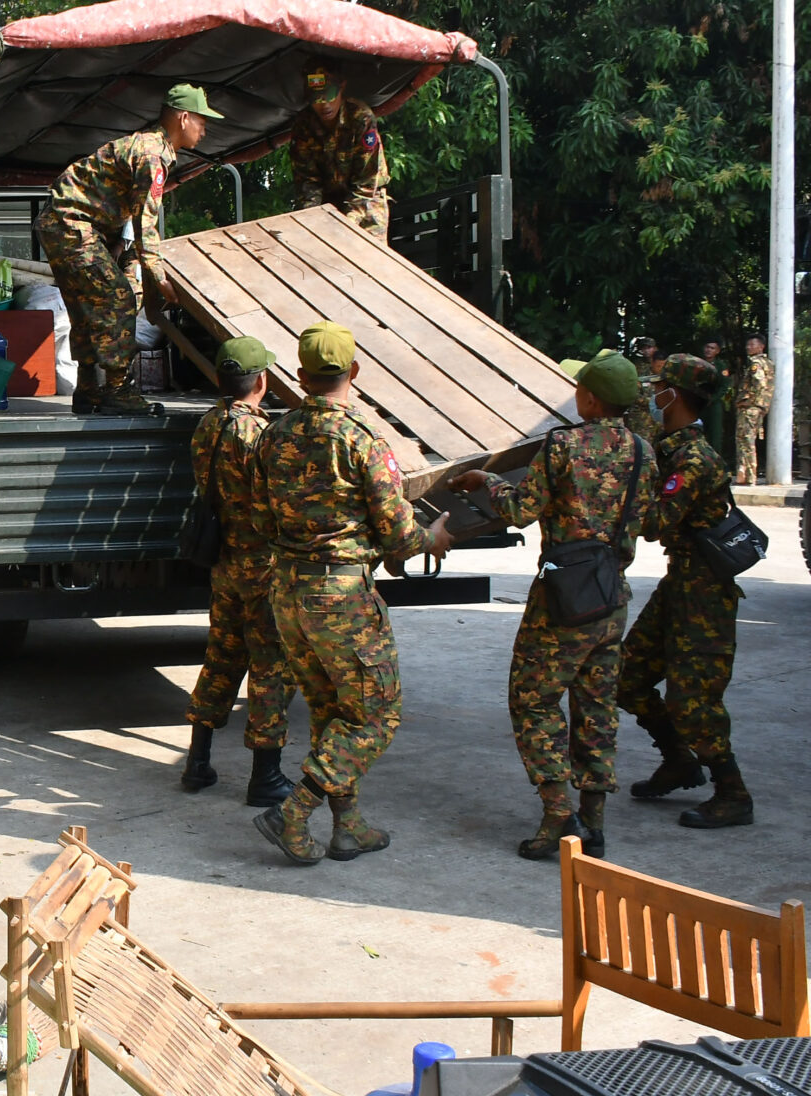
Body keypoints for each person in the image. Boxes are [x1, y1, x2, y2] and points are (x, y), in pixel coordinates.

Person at [249, 322, 453, 864]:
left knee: (331, 710)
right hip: (342, 597)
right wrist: (433, 537)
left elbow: (259, 513)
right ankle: (294, 812)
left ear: (299, 375)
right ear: (354, 373)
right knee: (376, 714)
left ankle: (348, 826)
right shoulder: (361, 439)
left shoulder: (273, 434)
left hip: (287, 591)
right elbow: (399, 536)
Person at [448, 352, 655, 859]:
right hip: (611, 597)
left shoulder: (563, 445)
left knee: (533, 700)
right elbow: (647, 520)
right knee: (596, 706)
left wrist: (486, 481)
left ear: (589, 398)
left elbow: (519, 509)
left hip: (562, 600)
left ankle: (558, 815)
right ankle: (595, 821)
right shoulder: (644, 452)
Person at [619, 354, 753, 828]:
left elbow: (656, 523)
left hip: (704, 592)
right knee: (628, 675)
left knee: (692, 698)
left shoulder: (692, 460)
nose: (653, 396)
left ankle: (732, 793)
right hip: (681, 582)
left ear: (673, 396)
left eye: (658, 388)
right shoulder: (672, 449)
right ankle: (678, 760)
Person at [37, 82, 221, 415]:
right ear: (182, 119)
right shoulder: (153, 155)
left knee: (87, 306)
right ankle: (117, 390)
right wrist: (158, 275)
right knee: (118, 298)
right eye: (201, 120)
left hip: (62, 224)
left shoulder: (146, 146)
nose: (204, 129)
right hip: (71, 225)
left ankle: (89, 389)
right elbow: (145, 223)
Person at [180, 337, 297, 806]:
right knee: (270, 668)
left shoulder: (208, 425)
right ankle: (265, 777)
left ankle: (197, 763)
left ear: (218, 379)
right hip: (262, 568)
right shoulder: (259, 434)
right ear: (263, 381)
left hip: (225, 563)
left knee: (222, 657)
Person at [290, 60, 390, 239]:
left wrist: (348, 223)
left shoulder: (360, 118)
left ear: (342, 87)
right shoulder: (303, 126)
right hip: (326, 207)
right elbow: (307, 182)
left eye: (329, 95)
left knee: (369, 259)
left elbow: (366, 183)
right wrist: (310, 221)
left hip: (366, 205)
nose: (324, 104)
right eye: (316, 98)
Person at [734, 335, 774, 485]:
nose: (748, 347)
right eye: (748, 344)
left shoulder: (756, 363)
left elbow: (759, 383)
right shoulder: (768, 362)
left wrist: (748, 401)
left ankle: (749, 476)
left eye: (752, 344)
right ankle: (743, 474)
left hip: (751, 407)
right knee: (747, 439)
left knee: (745, 440)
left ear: (761, 346)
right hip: (759, 407)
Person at [699, 340, 732, 458]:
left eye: (712, 348)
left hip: (714, 404)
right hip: (699, 403)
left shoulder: (721, 366)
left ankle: (716, 463)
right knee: (698, 433)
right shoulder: (698, 363)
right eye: (707, 347)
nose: (708, 350)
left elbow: (724, 387)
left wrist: (713, 398)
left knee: (715, 436)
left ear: (717, 351)